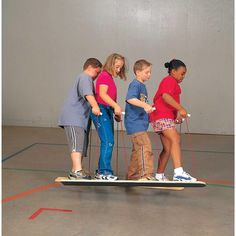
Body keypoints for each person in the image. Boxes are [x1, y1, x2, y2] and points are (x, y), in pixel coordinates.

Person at [150, 59, 197, 182]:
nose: (183, 76)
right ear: (173, 71)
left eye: (184, 74)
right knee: (175, 139)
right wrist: (181, 109)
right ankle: (179, 172)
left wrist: (177, 115)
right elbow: (165, 96)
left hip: (161, 117)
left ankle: (159, 176)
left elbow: (170, 101)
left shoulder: (173, 83)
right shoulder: (169, 80)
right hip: (162, 116)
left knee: (168, 147)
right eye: (182, 73)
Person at [58, 58, 102, 179]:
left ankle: (75, 169)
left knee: (81, 144)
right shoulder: (85, 77)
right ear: (90, 68)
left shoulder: (87, 79)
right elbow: (88, 94)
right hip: (73, 118)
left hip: (81, 119)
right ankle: (77, 170)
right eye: (97, 72)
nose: (97, 76)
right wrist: (95, 106)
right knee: (77, 143)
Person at [91, 53, 127, 180]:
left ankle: (101, 171)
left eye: (120, 68)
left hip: (107, 110)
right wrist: (116, 106)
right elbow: (102, 95)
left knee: (108, 141)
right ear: (110, 64)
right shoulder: (105, 76)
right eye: (117, 67)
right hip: (101, 110)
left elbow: (108, 98)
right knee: (108, 141)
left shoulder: (109, 78)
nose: (118, 70)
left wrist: (114, 111)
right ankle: (104, 172)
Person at [124, 59, 154, 180]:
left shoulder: (142, 86)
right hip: (135, 123)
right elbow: (130, 99)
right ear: (138, 72)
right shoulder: (135, 84)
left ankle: (132, 175)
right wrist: (146, 106)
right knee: (145, 147)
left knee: (137, 151)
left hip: (140, 123)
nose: (149, 74)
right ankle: (146, 174)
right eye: (147, 72)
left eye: (150, 72)